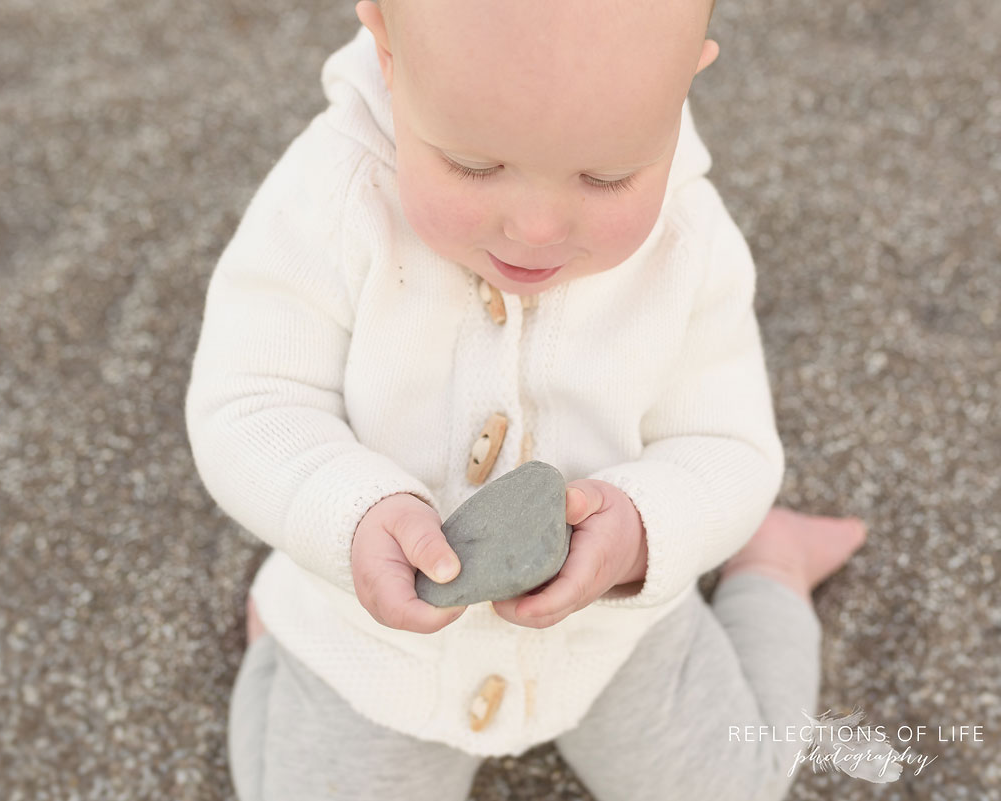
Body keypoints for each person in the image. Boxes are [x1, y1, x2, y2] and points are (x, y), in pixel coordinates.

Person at [185, 1, 867, 798]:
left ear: (682, 83)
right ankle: (284, 632)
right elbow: (250, 401)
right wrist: (346, 512)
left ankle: (772, 570)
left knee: (736, 784)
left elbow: (731, 444)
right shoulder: (331, 196)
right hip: (375, 644)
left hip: (614, 641)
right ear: (389, 53)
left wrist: (644, 531)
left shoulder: (689, 240)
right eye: (474, 165)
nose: (538, 227)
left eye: (607, 176)